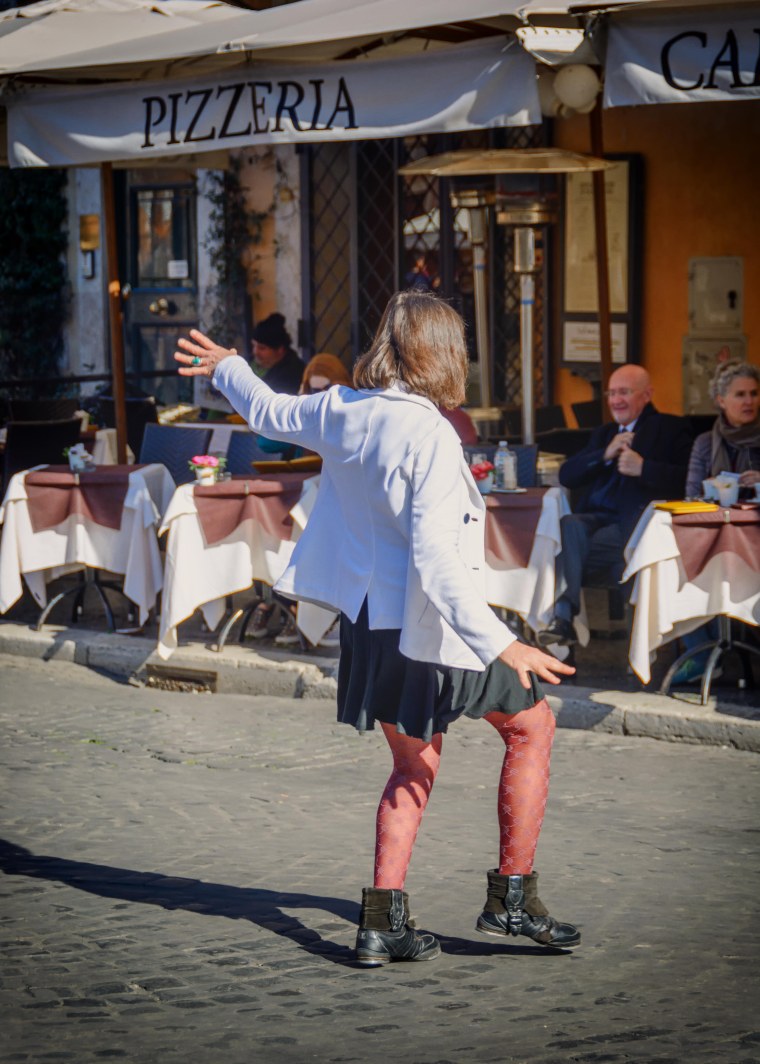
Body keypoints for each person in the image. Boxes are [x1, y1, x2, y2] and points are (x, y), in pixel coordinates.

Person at [176, 290, 579, 967]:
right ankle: (512, 899)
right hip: (429, 625)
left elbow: (268, 410)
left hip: (369, 624)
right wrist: (504, 643)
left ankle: (380, 923)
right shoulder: (429, 433)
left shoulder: (342, 407)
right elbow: (436, 563)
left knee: (413, 764)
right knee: (532, 726)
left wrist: (227, 366)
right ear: (445, 355)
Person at [538, 364, 693, 648]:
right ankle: (563, 620)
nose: (616, 400)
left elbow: (690, 480)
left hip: (635, 527)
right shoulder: (604, 434)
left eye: (624, 392)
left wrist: (645, 468)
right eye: (611, 393)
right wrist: (604, 454)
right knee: (567, 526)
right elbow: (567, 475)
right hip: (595, 521)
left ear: (647, 395)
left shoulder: (669, 428)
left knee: (559, 553)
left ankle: (564, 625)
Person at [672, 360, 760, 684]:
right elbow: (690, 496)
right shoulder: (705, 443)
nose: (749, 401)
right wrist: (714, 489)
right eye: (740, 394)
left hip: (755, 540)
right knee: (672, 560)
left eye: (753, 393)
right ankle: (702, 652)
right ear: (721, 400)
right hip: (714, 537)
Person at [250, 312, 304, 395]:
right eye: (254, 345)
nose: (255, 352)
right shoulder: (255, 364)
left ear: (280, 349)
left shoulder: (290, 375)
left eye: (262, 348)